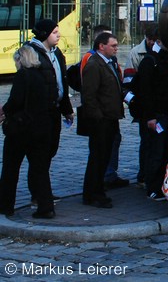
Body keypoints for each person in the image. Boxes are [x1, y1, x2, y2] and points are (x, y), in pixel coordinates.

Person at [0, 19, 74, 219]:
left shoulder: (25, 76)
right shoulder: (43, 77)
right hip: (42, 127)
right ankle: (46, 206)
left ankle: (6, 205)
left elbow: (16, 101)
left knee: (11, 169)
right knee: (40, 169)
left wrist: (5, 112)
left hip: (23, 129)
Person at [79, 31, 125, 208]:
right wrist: (98, 118)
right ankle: (92, 194)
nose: (116, 48)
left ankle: (97, 191)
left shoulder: (109, 63)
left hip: (110, 118)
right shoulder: (94, 65)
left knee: (104, 157)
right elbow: (89, 96)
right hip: (101, 121)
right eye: (113, 45)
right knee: (97, 158)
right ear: (101, 46)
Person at [132, 32, 168, 201]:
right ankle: (153, 187)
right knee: (155, 152)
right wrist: (150, 116)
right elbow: (146, 92)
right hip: (157, 115)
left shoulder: (167, 58)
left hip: (167, 113)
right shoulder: (150, 61)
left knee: (165, 151)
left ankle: (161, 184)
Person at [126, 24, 162, 187]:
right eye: (151, 40)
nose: (153, 44)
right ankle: (143, 174)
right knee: (146, 141)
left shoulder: (167, 52)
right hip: (143, 106)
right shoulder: (136, 53)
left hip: (160, 105)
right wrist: (135, 102)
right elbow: (128, 83)